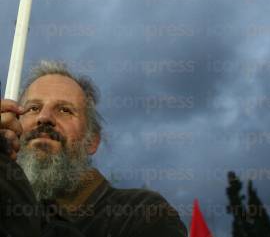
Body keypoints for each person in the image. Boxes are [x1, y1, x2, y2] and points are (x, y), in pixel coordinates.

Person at [0, 60, 187, 236]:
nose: (44, 117)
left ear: (92, 141)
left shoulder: (142, 213)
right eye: (33, 108)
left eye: (65, 110)